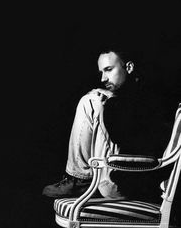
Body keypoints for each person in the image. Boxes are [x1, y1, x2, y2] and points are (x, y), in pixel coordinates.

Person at [42, 46, 169, 201]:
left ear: (128, 67)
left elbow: (127, 139)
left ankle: (80, 179)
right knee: (94, 100)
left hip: (127, 181)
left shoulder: (148, 97)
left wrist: (110, 101)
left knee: (92, 101)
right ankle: (81, 179)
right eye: (101, 72)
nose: (103, 78)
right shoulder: (130, 95)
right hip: (116, 175)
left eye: (108, 69)